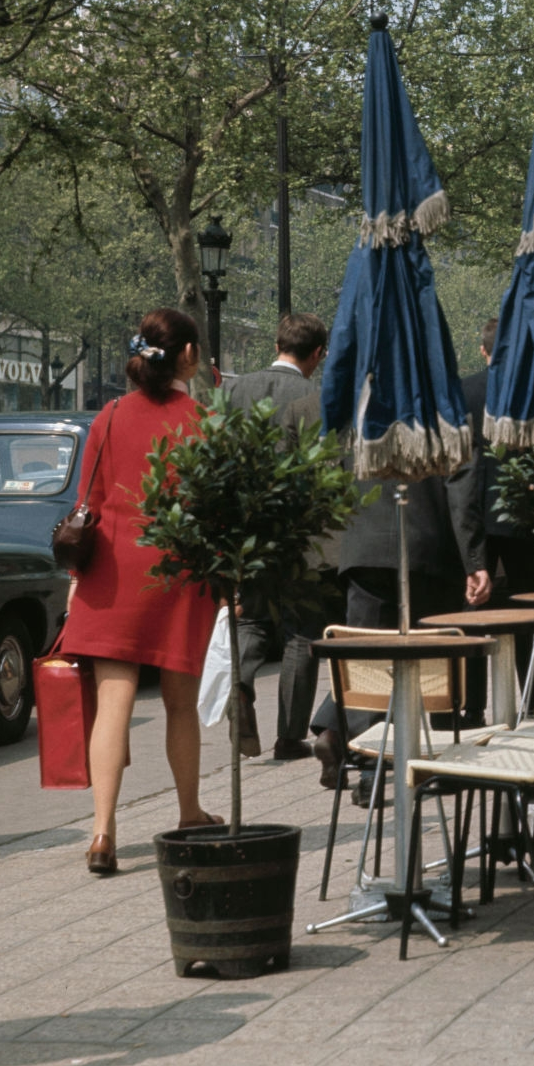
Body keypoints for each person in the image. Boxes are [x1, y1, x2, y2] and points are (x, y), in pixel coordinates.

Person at [59, 310, 222, 874]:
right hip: (176, 572)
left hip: (113, 574)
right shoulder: (201, 421)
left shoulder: (108, 417)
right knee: (180, 703)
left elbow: (89, 503)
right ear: (188, 356)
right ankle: (189, 812)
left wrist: (75, 584)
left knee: (113, 705)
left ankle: (102, 832)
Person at [311, 407, 492, 779]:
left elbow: (328, 471)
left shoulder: (360, 407)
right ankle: (439, 759)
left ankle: (359, 759)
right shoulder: (445, 408)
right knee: (432, 658)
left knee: (368, 656)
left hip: (365, 547)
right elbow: (462, 491)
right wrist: (474, 560)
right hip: (429, 548)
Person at [226, 312, 330, 762]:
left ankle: (240, 686)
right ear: (318, 354)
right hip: (301, 532)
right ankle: (289, 736)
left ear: (276, 344)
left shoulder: (235, 391)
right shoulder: (315, 398)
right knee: (301, 632)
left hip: (248, 528)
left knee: (250, 619)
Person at [461, 317, 534, 606]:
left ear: (483, 350)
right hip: (521, 511)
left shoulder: (464, 390)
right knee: (528, 601)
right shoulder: (530, 393)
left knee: (474, 600)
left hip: (475, 509)